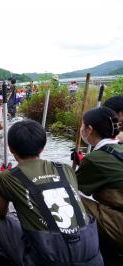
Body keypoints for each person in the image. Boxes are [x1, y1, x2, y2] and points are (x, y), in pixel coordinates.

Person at [0, 119, 103, 265]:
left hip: (50, 259)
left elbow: (0, 212)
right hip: (92, 256)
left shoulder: (5, 177)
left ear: (10, 148)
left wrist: (3, 185)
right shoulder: (65, 169)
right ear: (42, 147)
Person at [75, 107, 123, 265]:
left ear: (89, 129)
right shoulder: (119, 148)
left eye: (83, 126)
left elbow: (72, 186)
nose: (81, 129)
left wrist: (79, 164)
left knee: (70, 198)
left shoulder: (95, 158)